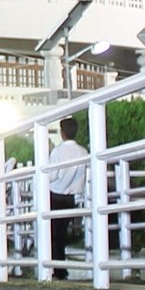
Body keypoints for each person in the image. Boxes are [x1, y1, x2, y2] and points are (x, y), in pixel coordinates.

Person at [45, 115, 88, 280]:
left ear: (62, 132)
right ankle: (60, 269)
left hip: (55, 195)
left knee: (54, 235)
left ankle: (57, 269)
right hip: (71, 197)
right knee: (61, 234)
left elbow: (52, 175)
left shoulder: (58, 151)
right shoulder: (83, 151)